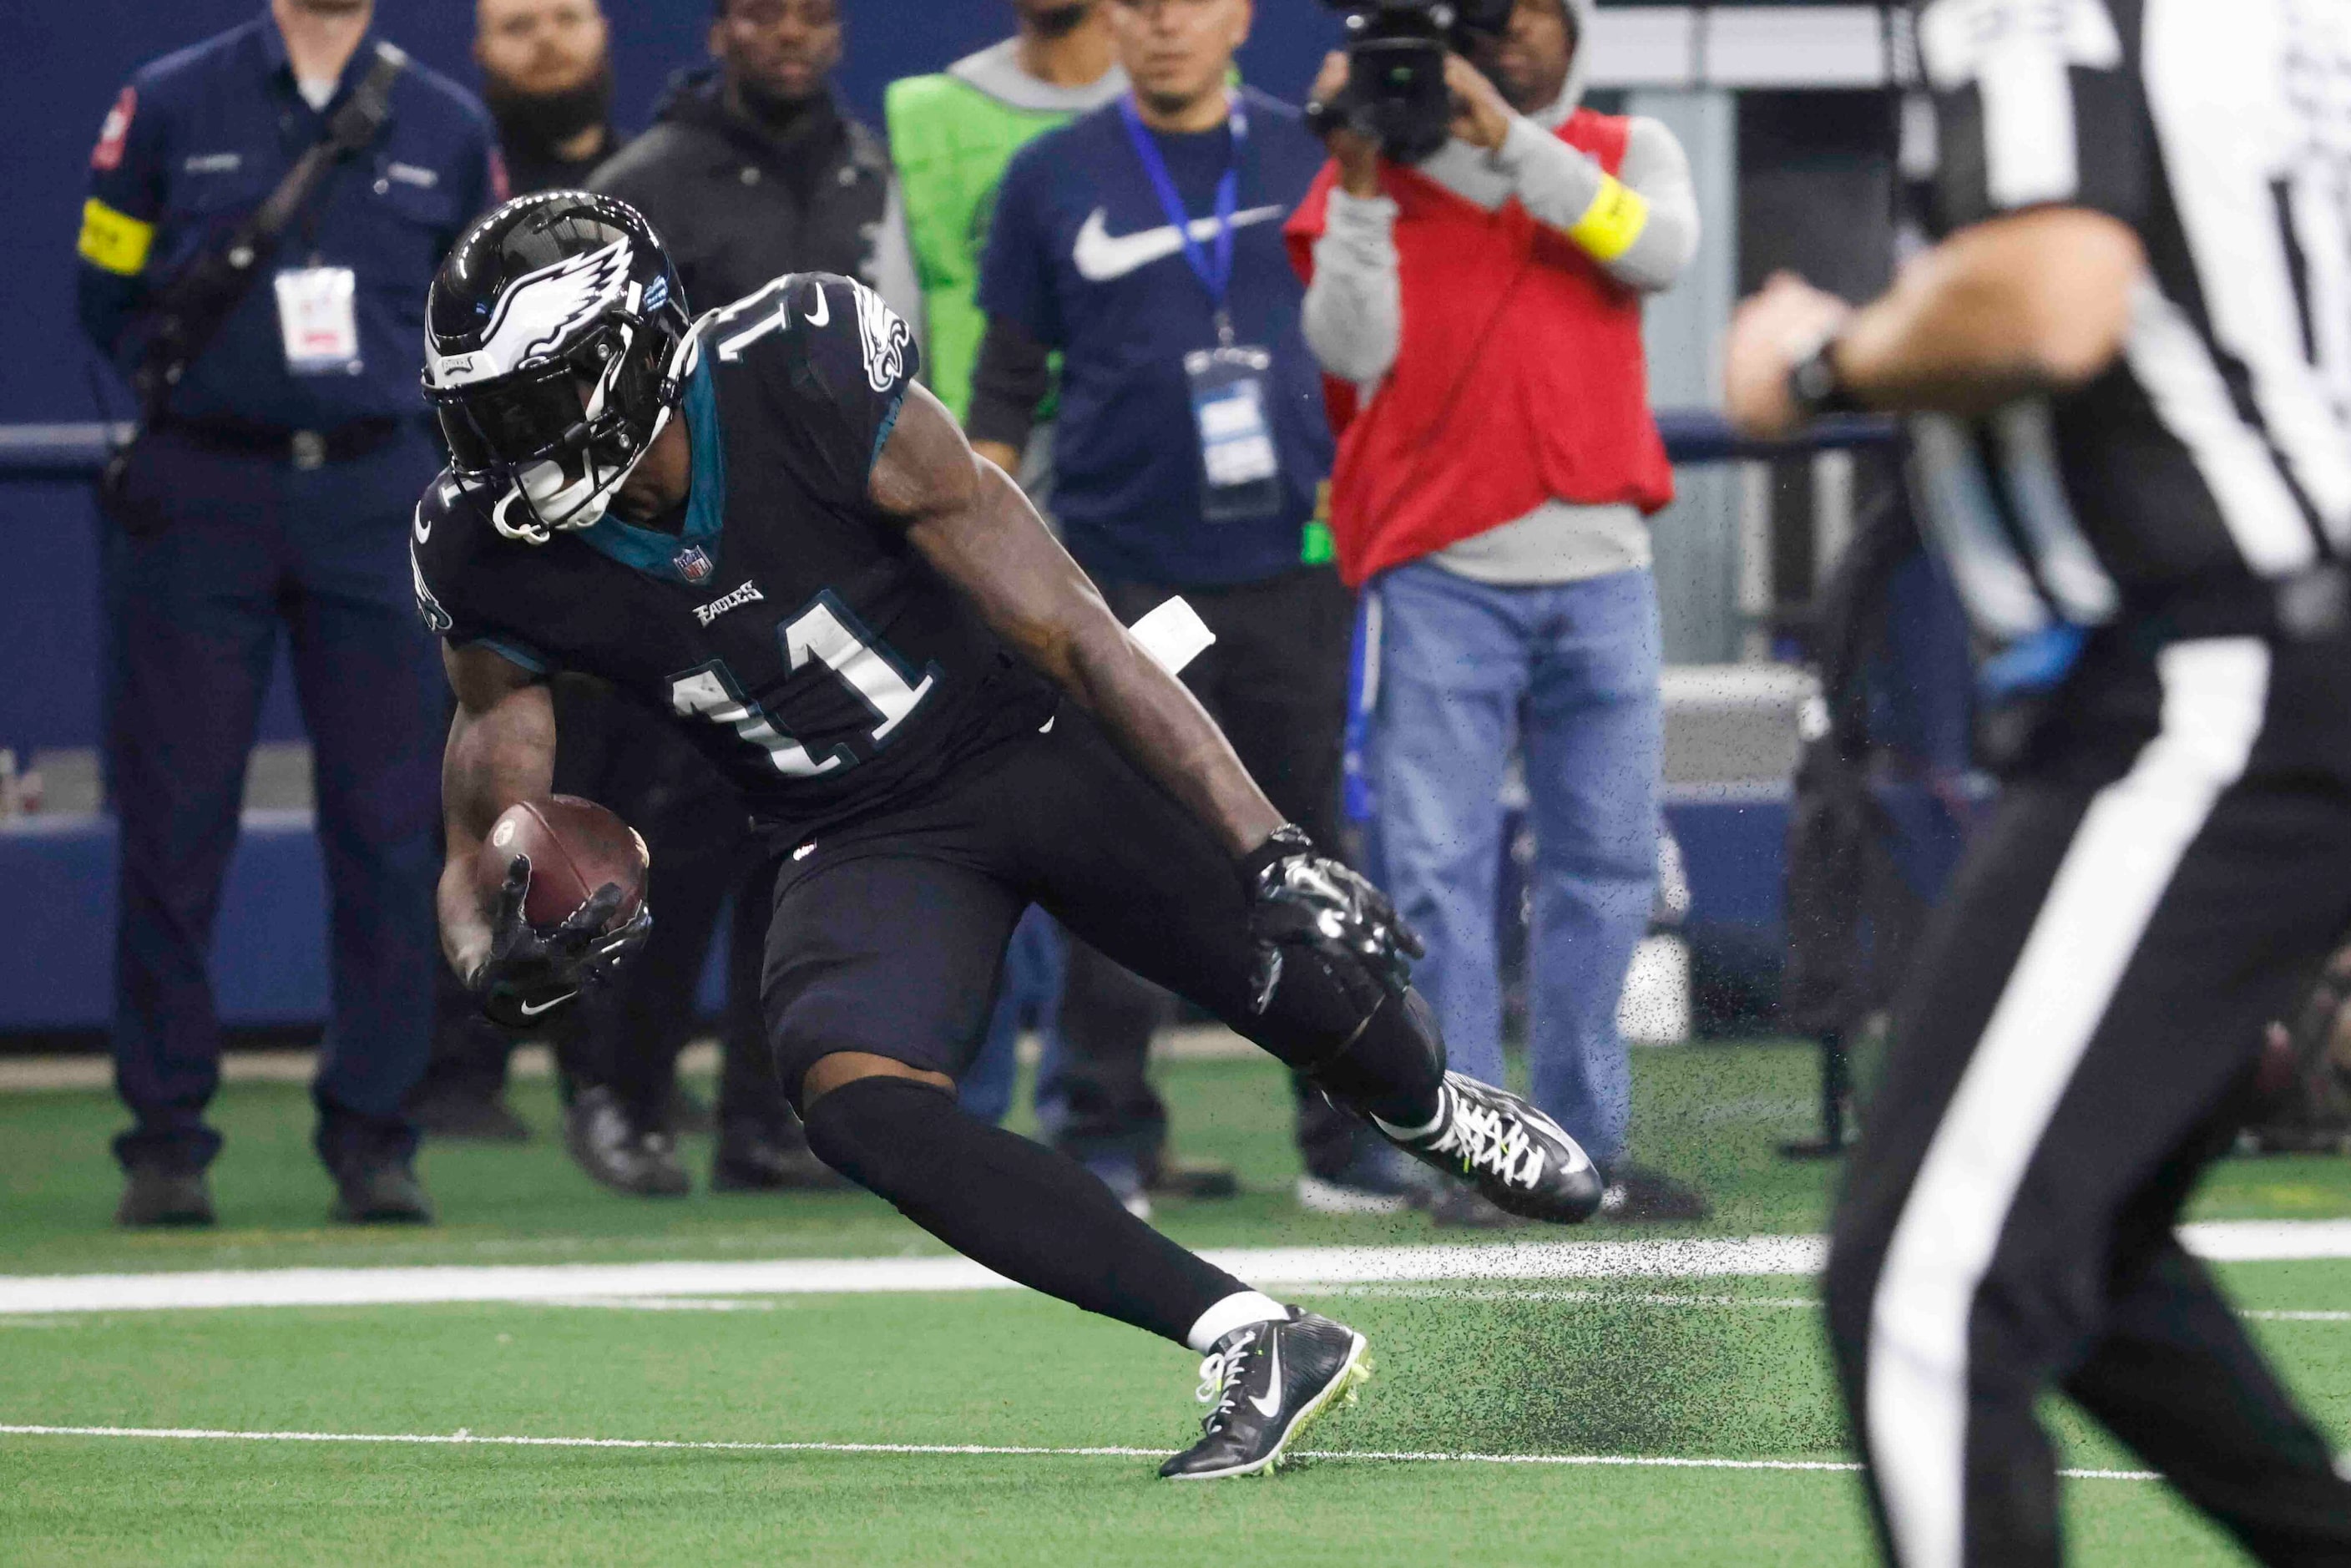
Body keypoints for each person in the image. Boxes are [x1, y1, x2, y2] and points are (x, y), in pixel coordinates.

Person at [412, 191, 1603, 1476]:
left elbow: (1075, 630)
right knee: (852, 1098)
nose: (508, 450)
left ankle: (1428, 1104)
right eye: (484, 416)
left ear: (639, 344)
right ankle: (1249, 1330)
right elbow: (488, 802)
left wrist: (1270, 847)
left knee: (1317, 996)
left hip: (1032, 739)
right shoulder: (487, 546)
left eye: (532, 403)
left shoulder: (799, 370)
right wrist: (487, 947)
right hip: (855, 831)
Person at [1724, 0, 2351, 1560]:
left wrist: (1816, 358)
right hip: (2258, 659)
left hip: (2221, 673)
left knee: (1927, 1291)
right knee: (2098, 1237)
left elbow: (2053, 295)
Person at [971, 0, 1409, 1216]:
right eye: (1141, 6)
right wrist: (976, 571)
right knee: (1127, 845)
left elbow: (1381, 338)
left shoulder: (1315, 154)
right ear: (1109, 22)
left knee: (1310, 842)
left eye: (1191, 3)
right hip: (1126, 581)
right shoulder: (1048, 176)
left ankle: (1352, 1136)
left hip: (1293, 567)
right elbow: (1006, 379)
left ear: (1241, 16)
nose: (1166, 26)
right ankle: (1103, 1132)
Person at [76, 0, 500, 1228]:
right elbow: (101, 291)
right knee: (174, 821)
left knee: (387, 829)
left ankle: (375, 1135)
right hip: (201, 486)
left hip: (376, 490)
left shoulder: (449, 122)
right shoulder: (164, 101)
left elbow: (477, 320)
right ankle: (165, 1140)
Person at [1287, 0, 1706, 1225]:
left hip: (1600, 564)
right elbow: (1348, 352)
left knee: (1608, 865)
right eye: (1477, 23)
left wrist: (1508, 138)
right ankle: (1469, 1155)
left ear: (1571, 29)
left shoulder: (1625, 155)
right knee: (1433, 876)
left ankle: (1587, 1149)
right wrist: (1361, 180)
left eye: (1524, 16)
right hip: (1441, 567)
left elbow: (1657, 252)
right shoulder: (1375, 165)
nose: (1501, 42)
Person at [532, 0, 930, 1195]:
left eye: (813, 15)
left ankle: (765, 1119)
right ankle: (620, 1094)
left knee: (804, 854)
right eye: (764, 14)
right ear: (719, 31)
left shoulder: (875, 174)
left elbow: (902, 362)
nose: (791, 36)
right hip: (681, 573)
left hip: (836, 573)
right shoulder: (643, 185)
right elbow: (573, 383)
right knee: (672, 850)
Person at [883, 0, 1130, 1136]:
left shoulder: (1208, 119)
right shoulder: (934, 115)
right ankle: (962, 1110)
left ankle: (1113, 1120)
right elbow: (886, 329)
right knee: (981, 797)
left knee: (1147, 806)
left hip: (1154, 515)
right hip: (971, 505)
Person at [412, 0, 629, 1145]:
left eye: (563, 16)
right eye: (514, 23)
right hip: (493, 546)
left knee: (629, 810)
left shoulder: (643, 196)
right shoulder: (459, 184)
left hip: (633, 549)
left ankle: (614, 1069)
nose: (544, 41)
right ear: (479, 52)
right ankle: (463, 1059)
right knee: (485, 793)